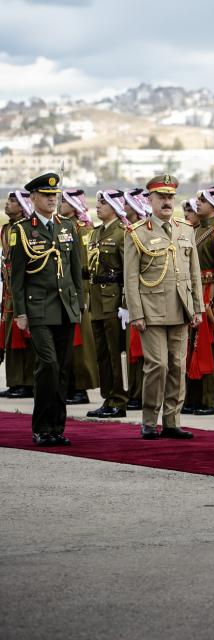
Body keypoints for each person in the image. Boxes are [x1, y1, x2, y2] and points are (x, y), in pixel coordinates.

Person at [124, 174, 203, 440]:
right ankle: (149, 421)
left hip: (181, 308)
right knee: (157, 365)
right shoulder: (137, 232)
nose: (167, 202)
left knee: (178, 367)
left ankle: (172, 421)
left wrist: (198, 308)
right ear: (150, 199)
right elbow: (131, 278)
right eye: (161, 197)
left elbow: (194, 273)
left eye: (170, 197)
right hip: (152, 310)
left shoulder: (186, 229)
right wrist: (136, 313)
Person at [10, 172, 83, 446]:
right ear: (33, 198)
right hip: (38, 308)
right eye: (46, 195)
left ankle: (56, 428)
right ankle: (41, 427)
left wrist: (79, 303)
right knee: (48, 365)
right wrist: (20, 312)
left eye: (55, 195)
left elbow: (76, 270)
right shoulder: (22, 230)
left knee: (62, 369)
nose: (52, 199)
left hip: (65, 307)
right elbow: (17, 277)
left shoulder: (67, 227)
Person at [183, 186, 214, 416]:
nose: (197, 204)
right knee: (192, 346)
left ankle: (211, 400)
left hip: (209, 295)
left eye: (202, 201)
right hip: (195, 293)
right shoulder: (195, 231)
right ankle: (194, 398)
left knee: (209, 348)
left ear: (213, 205)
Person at [85, 189, 129, 418]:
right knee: (102, 353)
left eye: (103, 203)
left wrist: (126, 304)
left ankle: (119, 400)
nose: (98, 206)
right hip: (97, 301)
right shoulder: (95, 233)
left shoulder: (122, 233)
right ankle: (108, 398)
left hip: (114, 302)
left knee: (116, 353)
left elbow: (129, 273)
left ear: (115, 206)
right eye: (98, 202)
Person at [60, 188, 98, 405]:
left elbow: (85, 265)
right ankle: (68, 386)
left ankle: (80, 388)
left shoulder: (82, 229)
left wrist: (81, 295)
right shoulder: (65, 226)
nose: (59, 205)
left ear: (73, 205)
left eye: (63, 201)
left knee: (80, 343)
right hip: (65, 290)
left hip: (79, 291)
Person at [1, 190, 36, 399]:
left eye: (12, 201)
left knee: (25, 338)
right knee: (10, 339)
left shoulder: (28, 229)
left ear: (23, 206)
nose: (7, 204)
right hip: (9, 293)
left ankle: (28, 383)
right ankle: (15, 382)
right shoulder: (6, 229)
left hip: (24, 291)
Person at [122, 188, 150, 411]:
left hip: (145, 298)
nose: (124, 207)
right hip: (129, 298)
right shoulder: (129, 231)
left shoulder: (144, 233)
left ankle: (142, 395)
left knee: (143, 352)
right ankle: (134, 392)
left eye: (127, 204)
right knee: (132, 351)